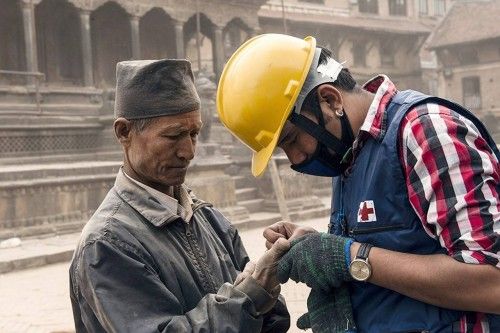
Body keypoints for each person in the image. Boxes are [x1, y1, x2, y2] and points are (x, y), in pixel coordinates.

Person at [217, 33, 500, 332]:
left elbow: (491, 282)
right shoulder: (350, 156)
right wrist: (322, 250)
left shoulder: (424, 131)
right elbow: (392, 250)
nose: (295, 158)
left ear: (329, 99)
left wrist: (350, 258)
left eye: (291, 140)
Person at [69, 59, 290, 332]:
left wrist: (268, 280)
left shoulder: (207, 218)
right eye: (173, 136)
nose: (188, 151)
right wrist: (251, 296)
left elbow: (271, 319)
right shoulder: (107, 243)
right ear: (124, 132)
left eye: (194, 134)